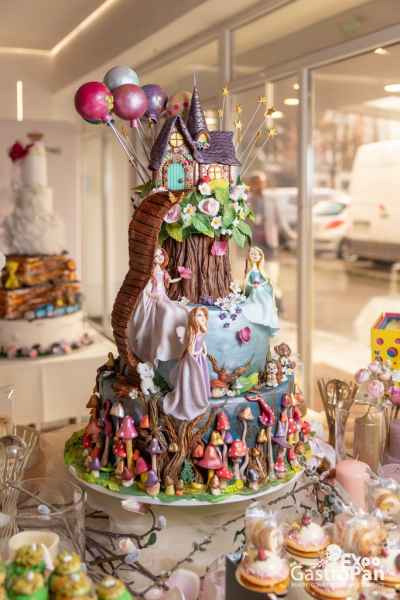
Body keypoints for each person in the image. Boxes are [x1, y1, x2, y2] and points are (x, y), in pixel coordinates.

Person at [128, 247, 188, 364]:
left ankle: (175, 344)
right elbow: (147, 288)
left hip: (163, 296)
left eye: (161, 255)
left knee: (178, 310)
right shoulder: (151, 273)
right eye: (156, 256)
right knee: (167, 311)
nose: (160, 257)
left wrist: (181, 277)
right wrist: (152, 295)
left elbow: (169, 281)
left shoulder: (163, 271)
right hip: (155, 297)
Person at [247, 171, 296, 311]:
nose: (259, 186)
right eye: (256, 183)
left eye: (261, 183)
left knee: (272, 275)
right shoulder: (246, 201)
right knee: (256, 278)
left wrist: (291, 235)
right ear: (251, 184)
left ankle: (277, 304)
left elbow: (280, 221)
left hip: (270, 243)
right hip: (255, 245)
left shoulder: (271, 200)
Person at [163, 306, 210, 421]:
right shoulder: (192, 332)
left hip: (200, 357)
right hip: (192, 359)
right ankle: (190, 399)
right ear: (193, 318)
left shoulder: (202, 329)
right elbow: (190, 348)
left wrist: (204, 350)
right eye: (199, 315)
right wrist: (194, 355)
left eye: (203, 315)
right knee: (192, 378)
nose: (202, 317)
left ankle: (200, 395)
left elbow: (202, 341)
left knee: (201, 377)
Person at [242, 246, 279, 336]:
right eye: (252, 254)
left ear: (260, 257)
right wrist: (252, 286)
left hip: (261, 291)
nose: (254, 256)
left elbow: (265, 281)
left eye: (256, 254)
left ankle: (266, 323)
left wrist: (263, 284)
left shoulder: (261, 271)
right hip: (255, 292)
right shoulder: (250, 271)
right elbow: (247, 283)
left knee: (267, 304)